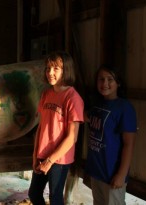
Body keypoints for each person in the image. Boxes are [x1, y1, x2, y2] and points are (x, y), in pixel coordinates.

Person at [28, 51, 84, 205]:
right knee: (33, 194)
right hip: (42, 154)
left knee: (55, 197)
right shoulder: (46, 94)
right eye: (48, 68)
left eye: (55, 69)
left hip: (59, 159)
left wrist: (50, 161)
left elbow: (72, 137)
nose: (50, 73)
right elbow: (41, 127)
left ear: (66, 70)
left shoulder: (73, 98)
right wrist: (35, 156)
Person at [85, 65, 137, 205]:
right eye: (101, 79)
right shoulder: (96, 105)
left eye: (110, 79)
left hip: (112, 173)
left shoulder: (125, 108)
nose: (105, 84)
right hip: (97, 171)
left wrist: (121, 175)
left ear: (118, 83)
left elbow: (129, 144)